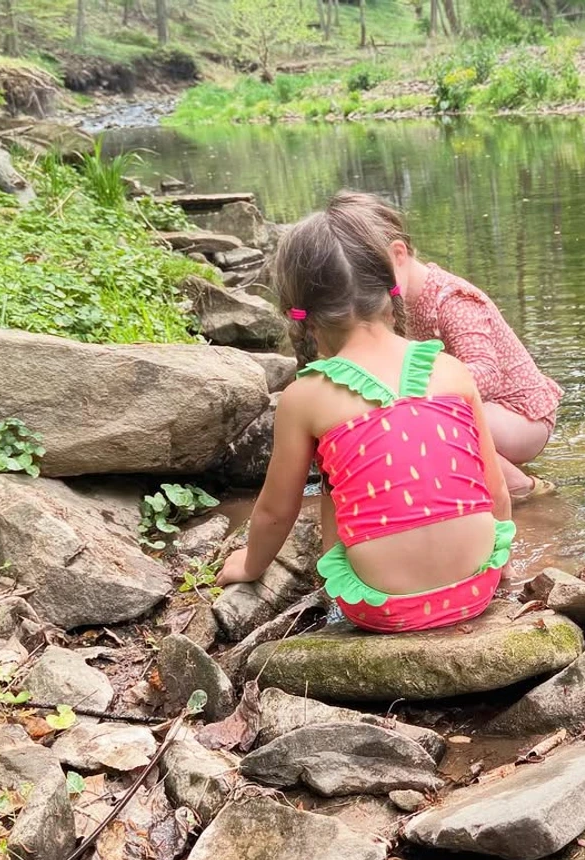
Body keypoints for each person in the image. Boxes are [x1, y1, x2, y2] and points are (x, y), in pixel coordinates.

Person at [216, 206, 515, 634]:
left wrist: (249, 564)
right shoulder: (451, 369)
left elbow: (275, 513)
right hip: (477, 587)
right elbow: (496, 491)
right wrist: (500, 568)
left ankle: (338, 614)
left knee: (335, 484)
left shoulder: (304, 398)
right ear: (390, 288)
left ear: (301, 315)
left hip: (381, 608)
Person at [325, 191, 561, 500]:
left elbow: (486, 373)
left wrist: (415, 389)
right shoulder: (387, 308)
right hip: (475, 411)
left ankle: (521, 488)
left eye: (373, 282)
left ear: (398, 255)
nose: (368, 295)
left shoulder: (450, 300)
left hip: (520, 416)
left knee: (424, 414)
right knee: (412, 414)